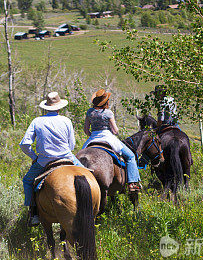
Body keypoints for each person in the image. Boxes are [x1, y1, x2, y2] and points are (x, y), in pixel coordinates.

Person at [20, 91, 84, 226]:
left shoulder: (37, 121)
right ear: (59, 107)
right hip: (67, 157)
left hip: (44, 161)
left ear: (46, 107)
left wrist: (34, 157)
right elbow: (71, 145)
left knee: (27, 181)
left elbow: (24, 144)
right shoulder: (66, 120)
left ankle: (33, 213)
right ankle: (98, 208)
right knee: (89, 174)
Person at [81, 89, 141, 193]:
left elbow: (86, 130)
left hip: (93, 138)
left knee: (81, 156)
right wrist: (113, 132)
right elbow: (116, 130)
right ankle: (132, 183)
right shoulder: (108, 113)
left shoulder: (89, 112)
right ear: (106, 102)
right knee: (131, 156)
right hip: (108, 137)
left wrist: (93, 135)